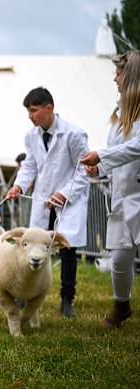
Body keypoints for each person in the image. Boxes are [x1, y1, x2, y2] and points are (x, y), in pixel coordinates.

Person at [6, 87, 90, 318]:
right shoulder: (31, 136)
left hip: (68, 202)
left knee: (67, 249)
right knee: (34, 248)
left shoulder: (74, 134)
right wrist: (19, 186)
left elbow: (84, 169)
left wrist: (64, 194)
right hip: (43, 200)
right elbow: (30, 165)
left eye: (34, 110)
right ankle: (28, 295)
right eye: (28, 112)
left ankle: (67, 299)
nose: (30, 116)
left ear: (49, 108)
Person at [80, 50, 140, 329]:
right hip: (122, 196)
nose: (114, 78)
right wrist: (99, 170)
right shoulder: (119, 116)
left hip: (138, 195)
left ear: (130, 77)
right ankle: (121, 306)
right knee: (119, 257)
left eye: (118, 73)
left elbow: (136, 147)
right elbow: (117, 153)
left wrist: (102, 156)